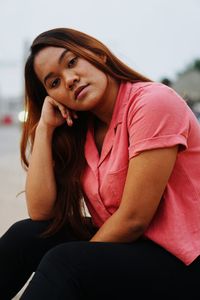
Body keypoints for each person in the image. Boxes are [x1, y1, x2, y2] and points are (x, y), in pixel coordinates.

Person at [0, 27, 200, 300]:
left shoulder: (152, 102)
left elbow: (133, 220)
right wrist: (45, 129)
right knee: (26, 236)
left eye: (72, 62)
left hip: (185, 261)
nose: (69, 80)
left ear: (98, 55)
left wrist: (83, 267)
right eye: (54, 82)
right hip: (134, 248)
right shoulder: (82, 129)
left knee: (66, 264)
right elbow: (41, 212)